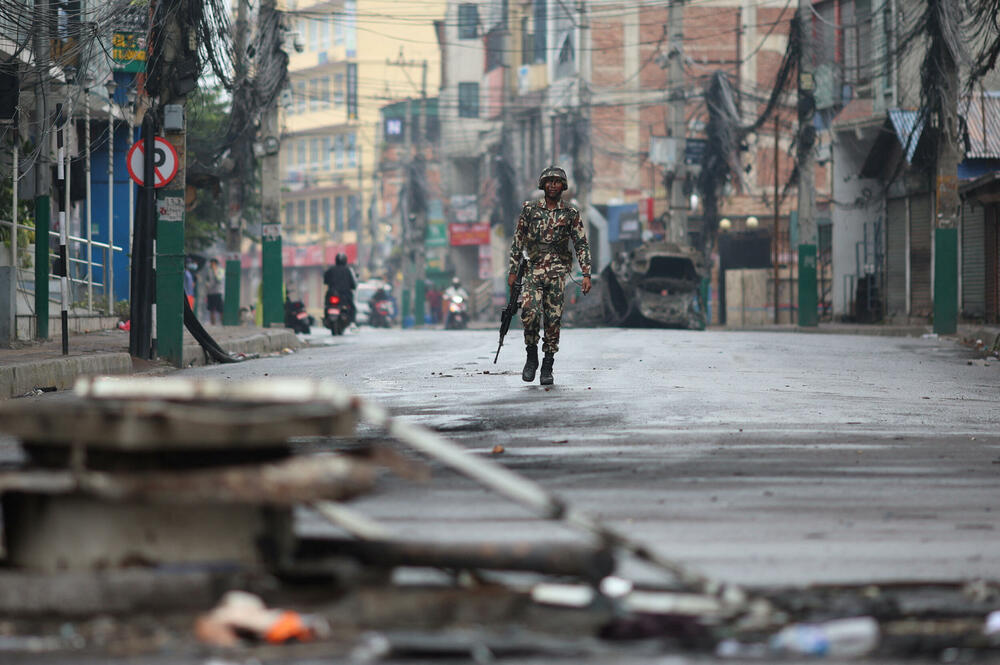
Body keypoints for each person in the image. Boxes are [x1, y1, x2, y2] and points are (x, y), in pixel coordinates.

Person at [507, 165, 591, 386]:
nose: (553, 185)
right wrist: (513, 271)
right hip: (533, 270)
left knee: (553, 319)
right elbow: (517, 241)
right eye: (549, 181)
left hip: (557, 272)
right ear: (543, 185)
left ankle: (548, 364)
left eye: (557, 182)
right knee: (530, 312)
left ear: (563, 186)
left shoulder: (571, 213)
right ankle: (531, 356)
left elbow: (581, 244)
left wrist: (586, 274)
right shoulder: (530, 210)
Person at [323, 253, 357, 322]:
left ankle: (326, 318)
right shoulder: (348, 270)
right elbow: (353, 285)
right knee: (352, 308)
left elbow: (325, 281)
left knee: (327, 304)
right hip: (345, 295)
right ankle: (352, 322)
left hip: (332, 293)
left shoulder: (330, 270)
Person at [205, 258, 224, 325]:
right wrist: (207, 284)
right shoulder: (208, 271)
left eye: (213, 263)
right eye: (211, 263)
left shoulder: (220, 270)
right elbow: (207, 280)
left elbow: (219, 280)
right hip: (210, 292)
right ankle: (213, 323)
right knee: (211, 309)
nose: (212, 265)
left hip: (218, 292)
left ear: (216, 264)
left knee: (221, 309)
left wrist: (215, 272)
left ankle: (222, 322)